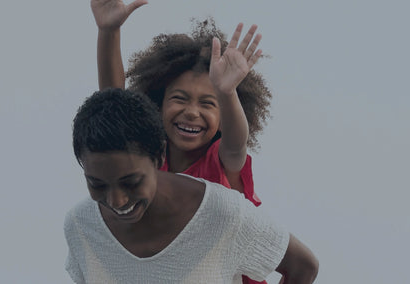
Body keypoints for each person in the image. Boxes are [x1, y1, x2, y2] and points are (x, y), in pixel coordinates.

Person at [64, 88, 318, 283]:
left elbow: (303, 267)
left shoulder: (222, 213)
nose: (116, 200)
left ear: (159, 156)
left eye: (131, 182)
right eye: (96, 183)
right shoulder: (80, 224)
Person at [90, 0, 272, 208]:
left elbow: (236, 144)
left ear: (223, 119)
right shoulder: (148, 156)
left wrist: (227, 93)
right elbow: (114, 105)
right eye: (179, 99)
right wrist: (108, 31)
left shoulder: (220, 161)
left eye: (207, 104)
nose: (192, 112)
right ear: (157, 106)